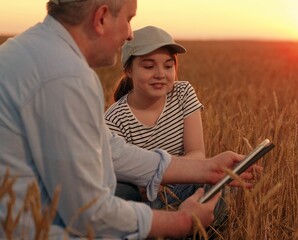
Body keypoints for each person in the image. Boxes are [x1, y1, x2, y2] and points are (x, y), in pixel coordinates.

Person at [0, 0, 256, 239]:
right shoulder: (65, 76)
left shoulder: (28, 50)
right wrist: (182, 221)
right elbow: (88, 214)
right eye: (129, 19)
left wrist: (207, 168)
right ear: (101, 17)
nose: (130, 34)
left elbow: (109, 149)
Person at [104, 26, 205, 208]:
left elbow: (197, 153)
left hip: (183, 183)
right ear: (128, 71)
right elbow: (126, 178)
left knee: (214, 184)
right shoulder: (114, 119)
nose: (160, 74)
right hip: (146, 198)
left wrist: (159, 176)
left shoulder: (183, 93)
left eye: (168, 66)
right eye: (149, 66)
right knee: (122, 194)